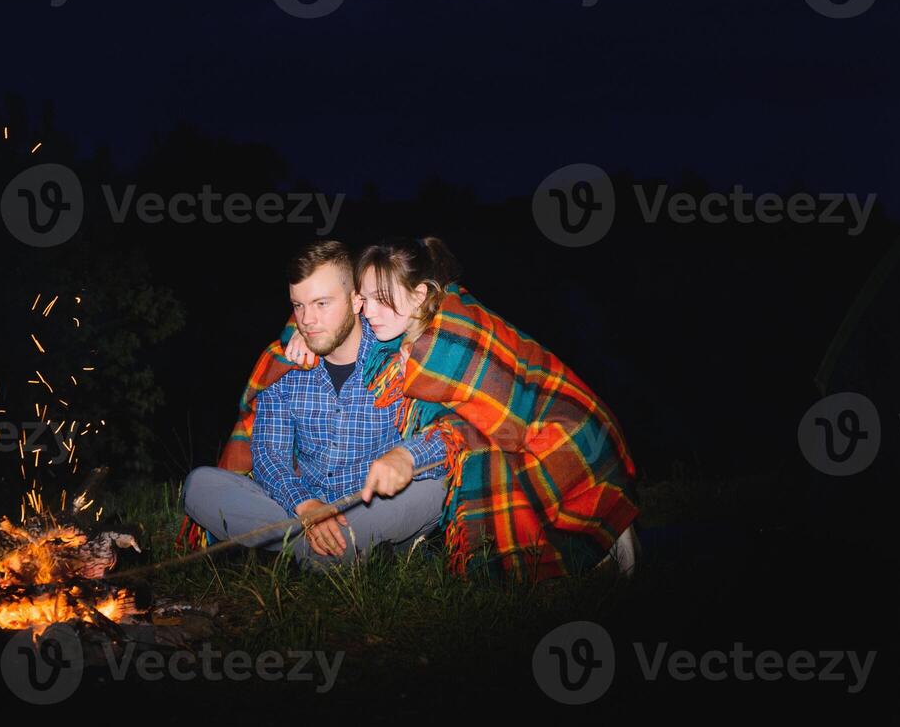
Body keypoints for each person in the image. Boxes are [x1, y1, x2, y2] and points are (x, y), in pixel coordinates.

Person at [284, 237, 641, 580]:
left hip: (566, 428)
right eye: (365, 298)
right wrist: (301, 334)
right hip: (530, 425)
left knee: (490, 456)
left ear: (419, 294)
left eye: (381, 299)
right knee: (482, 450)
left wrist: (407, 456)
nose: (369, 311)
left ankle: (603, 530)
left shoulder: (453, 339)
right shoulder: (399, 325)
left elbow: (485, 411)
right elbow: (336, 320)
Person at [180, 240, 451, 569]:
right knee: (199, 486)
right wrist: (306, 506)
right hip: (302, 508)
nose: (308, 320)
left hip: (371, 505)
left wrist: (405, 456)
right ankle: (333, 555)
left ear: (356, 302)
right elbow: (269, 456)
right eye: (299, 305)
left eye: (322, 303)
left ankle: (282, 552)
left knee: (434, 490)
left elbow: (448, 434)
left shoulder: (398, 355)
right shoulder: (285, 365)